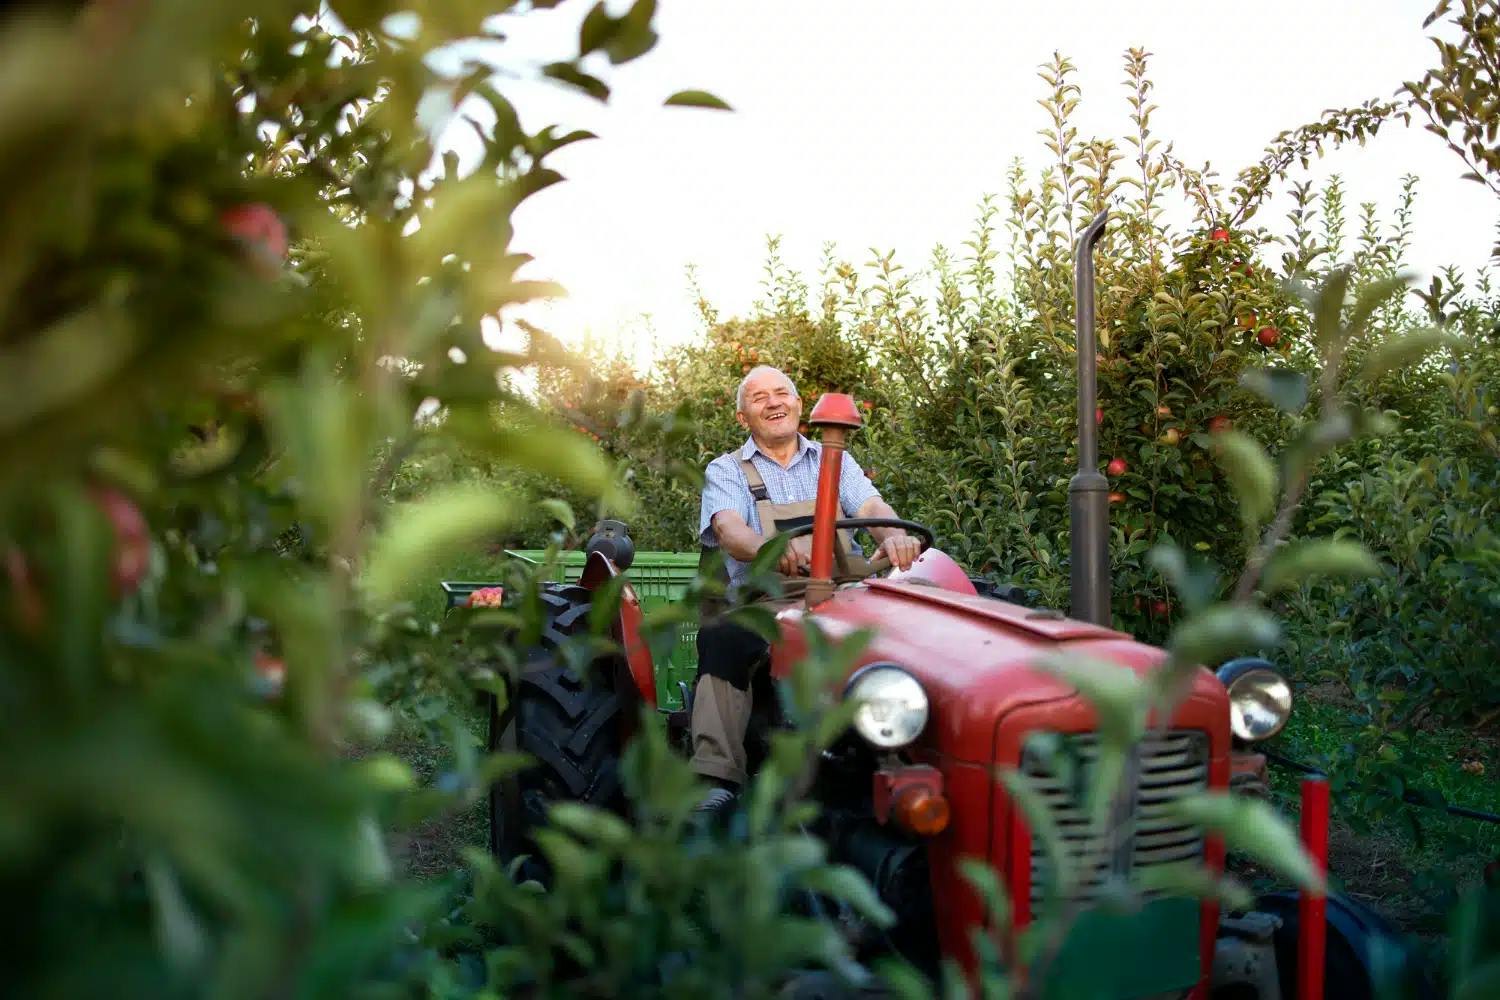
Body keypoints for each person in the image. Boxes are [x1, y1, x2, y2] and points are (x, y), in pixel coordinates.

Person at [691, 365, 921, 811]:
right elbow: (730, 531)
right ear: (743, 417)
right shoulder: (728, 470)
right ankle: (715, 778)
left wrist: (894, 538)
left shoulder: (834, 460)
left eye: (782, 393)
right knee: (723, 639)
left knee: (910, 641)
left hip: (847, 594)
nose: (774, 402)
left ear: (798, 405)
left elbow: (872, 506)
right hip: (771, 601)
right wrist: (769, 549)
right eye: (759, 398)